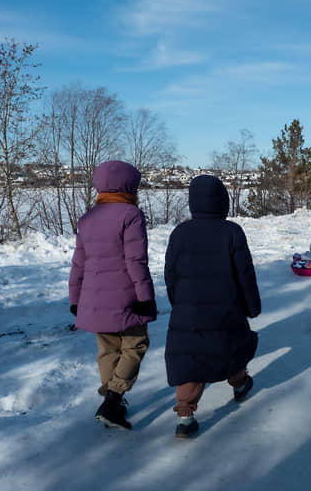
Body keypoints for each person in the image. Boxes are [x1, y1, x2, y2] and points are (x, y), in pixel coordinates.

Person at [164, 175, 261, 439]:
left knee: (190, 358)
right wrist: (252, 306)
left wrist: (178, 302)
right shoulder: (231, 232)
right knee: (232, 348)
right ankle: (240, 385)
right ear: (223, 201)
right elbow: (245, 274)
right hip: (226, 308)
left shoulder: (180, 233)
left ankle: (185, 416)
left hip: (189, 310)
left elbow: (170, 274)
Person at [69, 160, 157, 430]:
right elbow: (136, 260)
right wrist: (145, 296)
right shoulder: (130, 215)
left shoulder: (89, 218)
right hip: (127, 297)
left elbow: (78, 262)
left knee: (107, 350)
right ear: (130, 185)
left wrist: (75, 298)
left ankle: (112, 405)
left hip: (93, 298)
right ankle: (113, 399)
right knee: (135, 345)